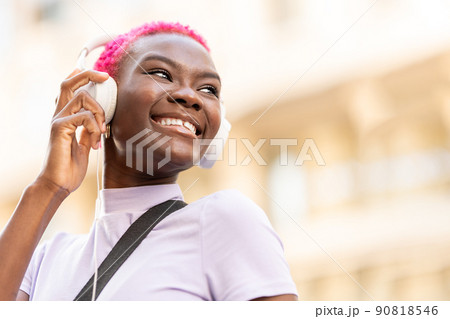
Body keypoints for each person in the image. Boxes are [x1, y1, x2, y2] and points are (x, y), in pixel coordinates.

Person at [0, 21, 298, 301]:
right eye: (162, 74)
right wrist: (47, 187)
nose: (190, 96)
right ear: (104, 99)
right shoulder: (42, 261)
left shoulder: (228, 220)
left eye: (208, 89)